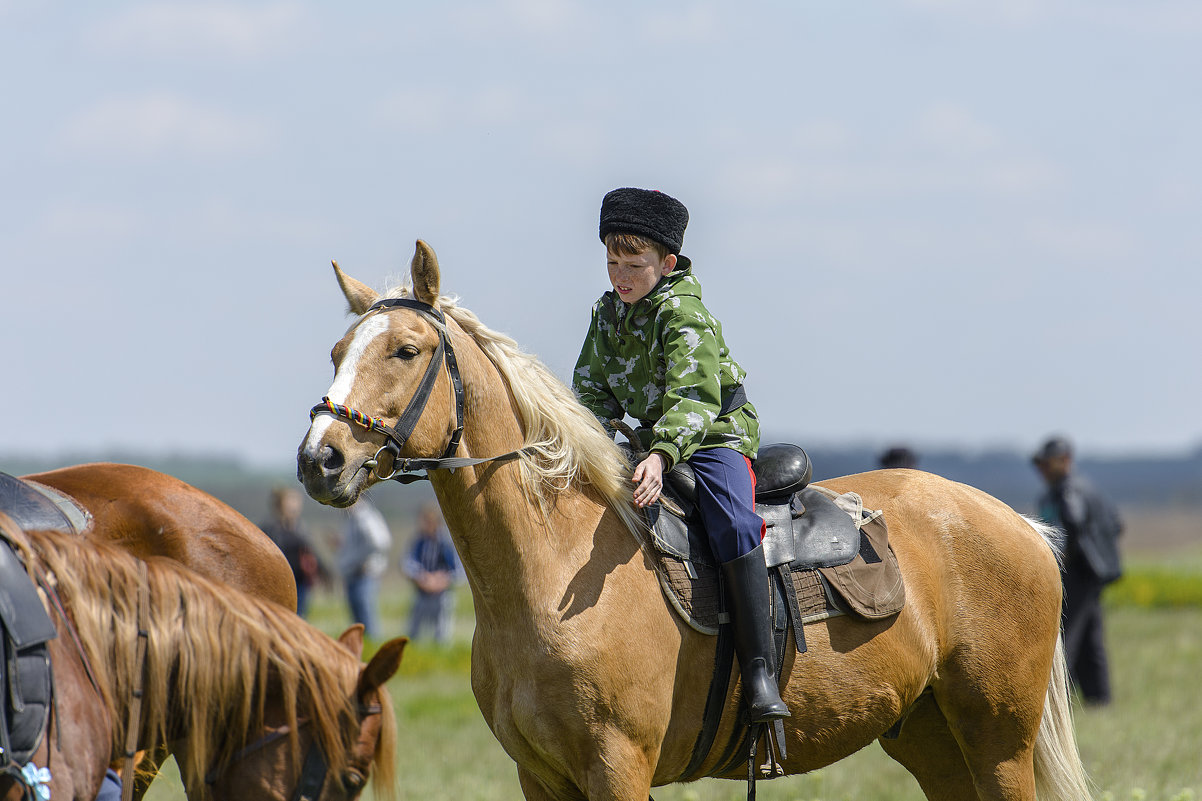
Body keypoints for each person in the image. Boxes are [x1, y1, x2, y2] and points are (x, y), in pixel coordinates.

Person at [571, 187, 789, 723]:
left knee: (734, 525)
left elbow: (694, 397)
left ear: (667, 263)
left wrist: (662, 455)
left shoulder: (684, 313)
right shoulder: (606, 314)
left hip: (714, 435)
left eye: (635, 264)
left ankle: (760, 675)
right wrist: (587, 441)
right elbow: (590, 390)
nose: (621, 275)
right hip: (654, 439)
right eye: (611, 262)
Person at [1032, 435, 1123, 705]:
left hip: (1076, 572)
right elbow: (1116, 523)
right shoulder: (1088, 487)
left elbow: (1072, 522)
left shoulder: (1068, 491)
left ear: (1065, 461)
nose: (1043, 470)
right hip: (1092, 574)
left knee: (1065, 637)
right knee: (1091, 637)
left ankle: (1057, 700)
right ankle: (1100, 699)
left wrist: (1060, 560)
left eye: (1048, 464)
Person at [259, 486, 327, 617]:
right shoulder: (270, 528)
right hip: (279, 580)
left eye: (297, 502)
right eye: (291, 502)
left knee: (299, 615)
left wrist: (324, 572)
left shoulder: (300, 527)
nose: (295, 506)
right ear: (280, 504)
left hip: (300, 581)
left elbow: (312, 550)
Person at [402, 504, 462, 644]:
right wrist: (421, 577)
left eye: (429, 521)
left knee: (442, 633)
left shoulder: (446, 542)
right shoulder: (418, 541)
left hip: (443, 594)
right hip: (422, 592)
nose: (425, 525)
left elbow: (458, 570)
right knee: (413, 630)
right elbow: (407, 562)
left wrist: (441, 579)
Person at [338, 497, 393, 641]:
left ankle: (372, 648)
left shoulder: (364, 517)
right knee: (358, 618)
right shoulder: (355, 517)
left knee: (366, 616)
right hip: (354, 573)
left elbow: (379, 542)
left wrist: (363, 560)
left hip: (363, 574)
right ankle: (364, 649)